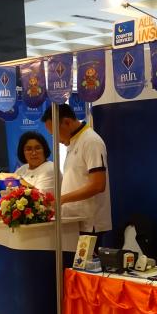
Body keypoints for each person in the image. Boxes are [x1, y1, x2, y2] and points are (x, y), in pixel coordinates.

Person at [42, 103, 111, 241]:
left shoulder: (91, 141)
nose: (56, 139)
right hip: (74, 221)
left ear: (67, 122)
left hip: (89, 223)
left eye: (55, 134)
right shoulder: (74, 142)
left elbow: (98, 185)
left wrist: (62, 199)